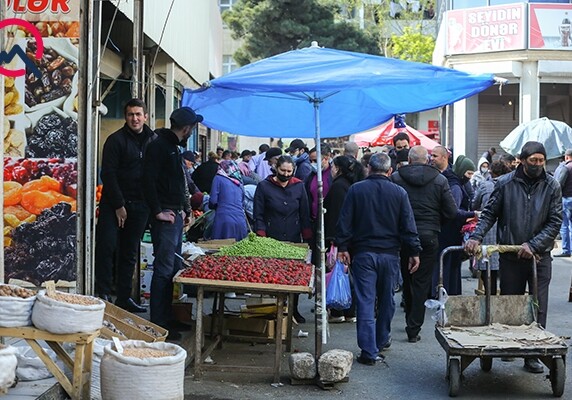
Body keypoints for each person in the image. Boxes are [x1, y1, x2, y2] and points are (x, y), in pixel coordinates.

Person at [465, 141, 562, 374]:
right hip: (510, 254)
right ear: (522, 160)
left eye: (541, 161)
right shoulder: (505, 184)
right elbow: (489, 214)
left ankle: (534, 354)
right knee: (511, 302)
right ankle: (509, 346)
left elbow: (555, 221)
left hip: (539, 256)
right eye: (533, 161)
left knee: (538, 305)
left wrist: (534, 245)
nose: (538, 165)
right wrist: (476, 237)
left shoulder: (552, 186)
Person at [335, 153, 421, 365]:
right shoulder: (399, 193)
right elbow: (408, 226)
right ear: (390, 171)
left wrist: (343, 247)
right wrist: (414, 252)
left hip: (364, 254)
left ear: (369, 169)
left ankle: (368, 350)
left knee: (365, 300)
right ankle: (382, 339)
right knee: (387, 300)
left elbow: (344, 221)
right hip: (390, 255)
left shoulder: (356, 190)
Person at [142, 106, 201, 341]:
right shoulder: (159, 147)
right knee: (164, 270)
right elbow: (147, 181)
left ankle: (167, 316)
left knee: (172, 269)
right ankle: (158, 323)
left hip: (174, 214)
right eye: (192, 128)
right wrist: (157, 212)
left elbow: (179, 185)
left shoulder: (173, 148)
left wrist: (185, 210)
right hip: (165, 216)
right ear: (187, 129)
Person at [95, 98, 155, 313]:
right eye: (131, 114)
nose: (135, 118)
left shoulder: (153, 140)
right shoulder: (115, 140)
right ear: (125, 117)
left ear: (145, 116)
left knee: (129, 252)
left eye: (138, 114)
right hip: (114, 204)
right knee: (107, 246)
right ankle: (101, 292)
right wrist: (119, 205)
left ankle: (123, 297)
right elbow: (108, 175)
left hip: (140, 206)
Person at [391, 146, 457, 342]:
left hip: (403, 236)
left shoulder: (396, 178)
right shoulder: (439, 180)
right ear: (427, 160)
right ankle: (414, 327)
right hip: (429, 236)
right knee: (421, 281)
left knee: (407, 277)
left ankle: (409, 317)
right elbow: (452, 211)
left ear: (409, 160)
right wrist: (437, 223)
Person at [253, 155, 312, 322]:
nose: (286, 174)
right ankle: (274, 309)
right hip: (272, 236)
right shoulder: (264, 186)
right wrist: (261, 234)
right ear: (276, 169)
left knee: (294, 276)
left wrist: (306, 237)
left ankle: (293, 309)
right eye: (282, 170)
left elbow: (304, 213)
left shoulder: (299, 186)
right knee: (273, 275)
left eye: (289, 171)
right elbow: (258, 214)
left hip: (293, 235)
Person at [324, 155, 364, 323]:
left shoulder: (339, 187)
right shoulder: (352, 185)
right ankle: (348, 310)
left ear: (339, 168)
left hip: (340, 239)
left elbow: (336, 216)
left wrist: (335, 240)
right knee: (347, 273)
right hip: (351, 237)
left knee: (340, 273)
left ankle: (340, 309)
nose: (331, 170)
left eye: (333, 166)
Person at [431, 147, 476, 296]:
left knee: (447, 263)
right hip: (449, 231)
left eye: (435, 155)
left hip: (447, 231)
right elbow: (454, 211)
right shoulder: (454, 185)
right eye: (469, 173)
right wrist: (472, 214)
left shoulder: (453, 181)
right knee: (448, 263)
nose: (470, 177)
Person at [471, 161, 512, 294]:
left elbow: (475, 204)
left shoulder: (485, 186)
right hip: (506, 230)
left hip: (487, 230)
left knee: (487, 265)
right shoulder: (510, 185)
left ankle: (490, 295)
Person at [209, 160, 248, 241]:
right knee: (239, 251)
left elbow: (213, 201)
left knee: (221, 250)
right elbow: (243, 203)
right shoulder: (239, 182)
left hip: (223, 220)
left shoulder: (218, 178)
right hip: (241, 221)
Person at [553, 148, 572, 257]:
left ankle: (566, 250)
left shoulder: (566, 168)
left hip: (566, 199)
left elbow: (558, 184)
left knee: (564, 226)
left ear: (566, 157)